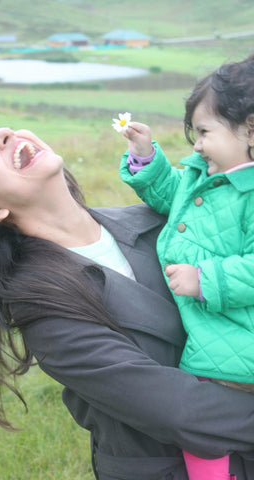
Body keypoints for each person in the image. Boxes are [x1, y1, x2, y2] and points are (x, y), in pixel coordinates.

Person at [0, 125, 254, 480]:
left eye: (1, 130)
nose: (5, 135)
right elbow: (180, 411)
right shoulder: (42, 307)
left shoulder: (157, 220)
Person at [119, 54, 254, 480]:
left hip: (239, 347)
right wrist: (145, 158)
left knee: (205, 430)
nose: (195, 145)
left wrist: (204, 280)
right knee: (202, 436)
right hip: (214, 348)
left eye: (204, 132)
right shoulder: (206, 179)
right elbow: (172, 197)